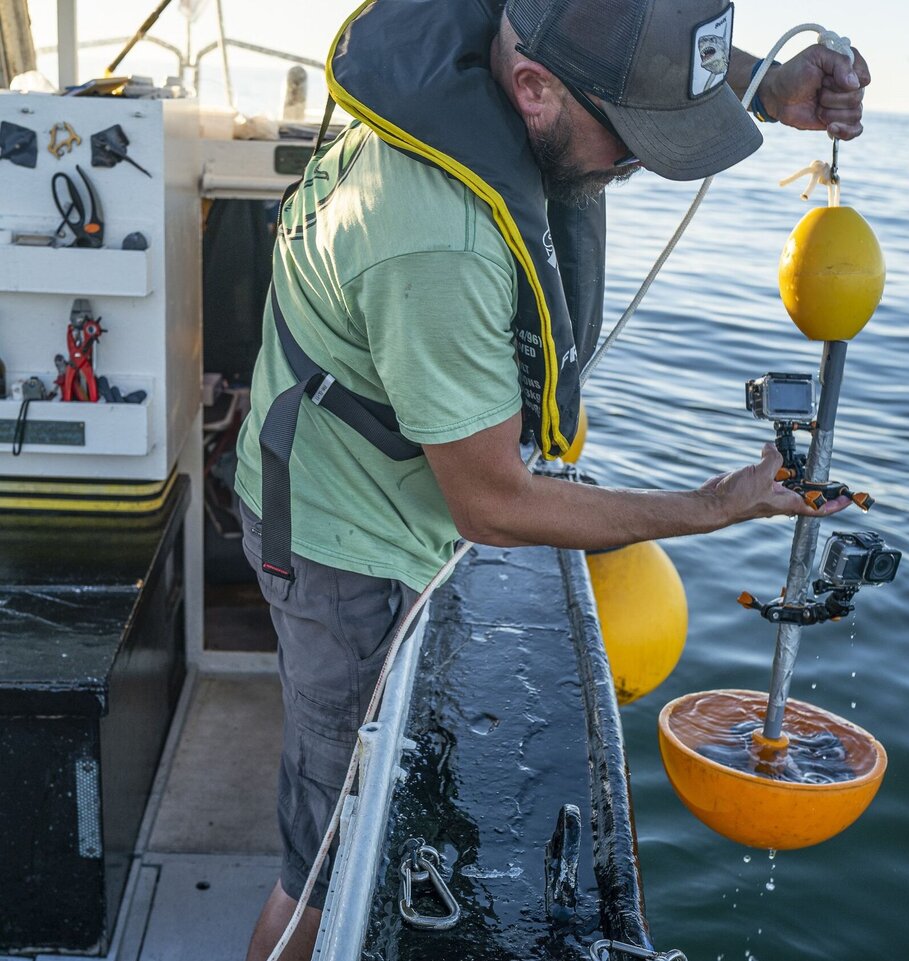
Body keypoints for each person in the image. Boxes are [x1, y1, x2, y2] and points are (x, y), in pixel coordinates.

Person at [234, 1, 870, 957]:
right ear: (534, 90)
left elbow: (623, 45)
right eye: (634, 142)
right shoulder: (436, 243)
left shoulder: (507, 31)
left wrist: (761, 88)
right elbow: (493, 504)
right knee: (327, 862)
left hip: (361, 483)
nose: (642, 165)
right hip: (341, 553)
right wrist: (714, 505)